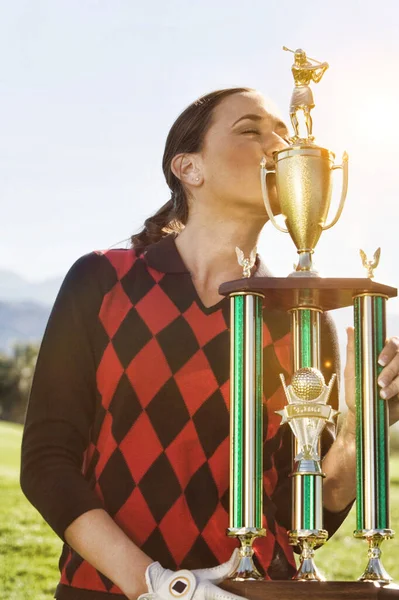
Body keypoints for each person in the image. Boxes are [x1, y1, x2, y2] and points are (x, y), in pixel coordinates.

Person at [20, 88, 399, 600]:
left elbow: (309, 512)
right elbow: (48, 462)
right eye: (250, 130)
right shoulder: (103, 280)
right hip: (106, 591)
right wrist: (160, 586)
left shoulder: (304, 320)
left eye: (283, 134)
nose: (278, 146)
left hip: (253, 594)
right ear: (189, 168)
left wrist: (360, 428)